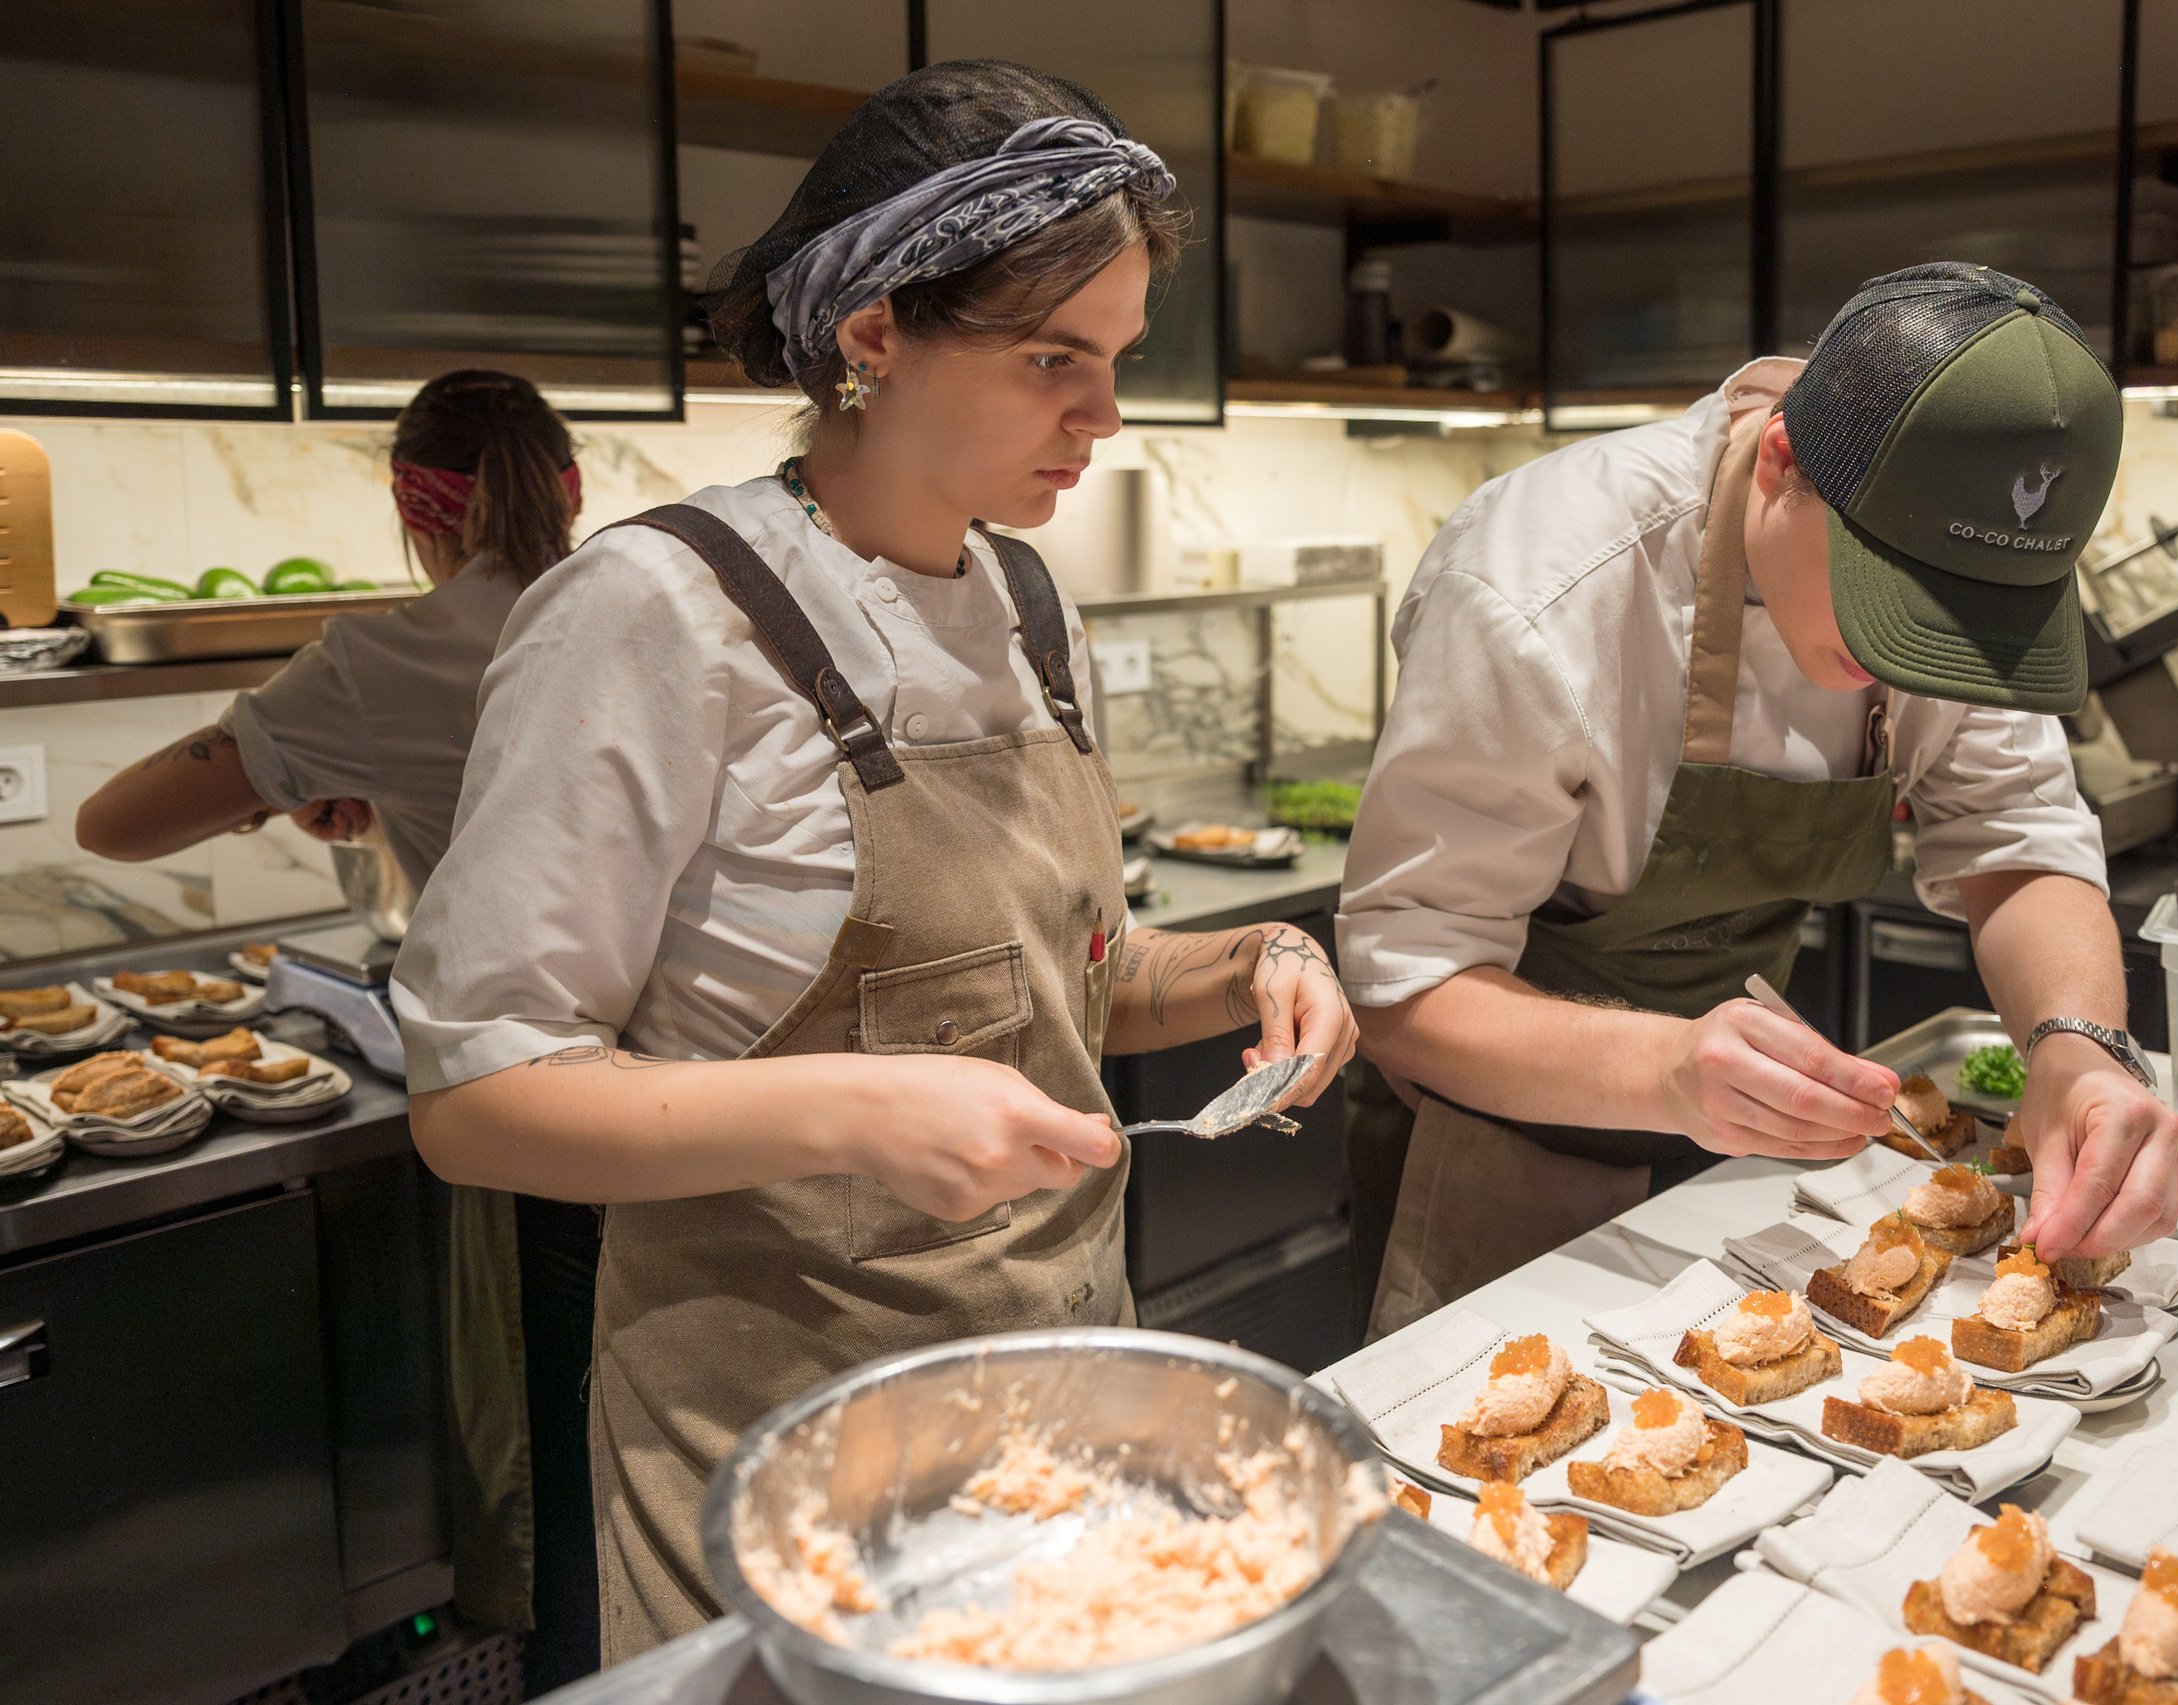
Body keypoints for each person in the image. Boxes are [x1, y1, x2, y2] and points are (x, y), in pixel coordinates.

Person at [388, 61, 1359, 1663]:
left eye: (1115, 361)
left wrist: (1260, 962)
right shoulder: (656, 612)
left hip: (1060, 1414)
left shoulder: (1030, 604)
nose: (1105, 417)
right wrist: (855, 1107)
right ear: (871, 335)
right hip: (771, 1464)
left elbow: (1074, 989)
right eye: (1057, 359)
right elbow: (474, 1099)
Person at [1338, 264, 2178, 1338]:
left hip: (1735, 1161)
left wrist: (2075, 1050)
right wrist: (1662, 1068)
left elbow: (2015, 840)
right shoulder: (1539, 586)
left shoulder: (1966, 565)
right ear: (1782, 458)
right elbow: (1401, 987)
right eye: (1892, 608)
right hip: (1491, 1153)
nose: (1913, 660)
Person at [75, 369, 605, 1691]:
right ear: (569, 489)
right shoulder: (650, 608)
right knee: (666, 1455)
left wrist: (287, 772)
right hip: (723, 1083)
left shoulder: (384, 657)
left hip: (547, 1109)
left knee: (567, 1487)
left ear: (416, 513)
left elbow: (113, 824)